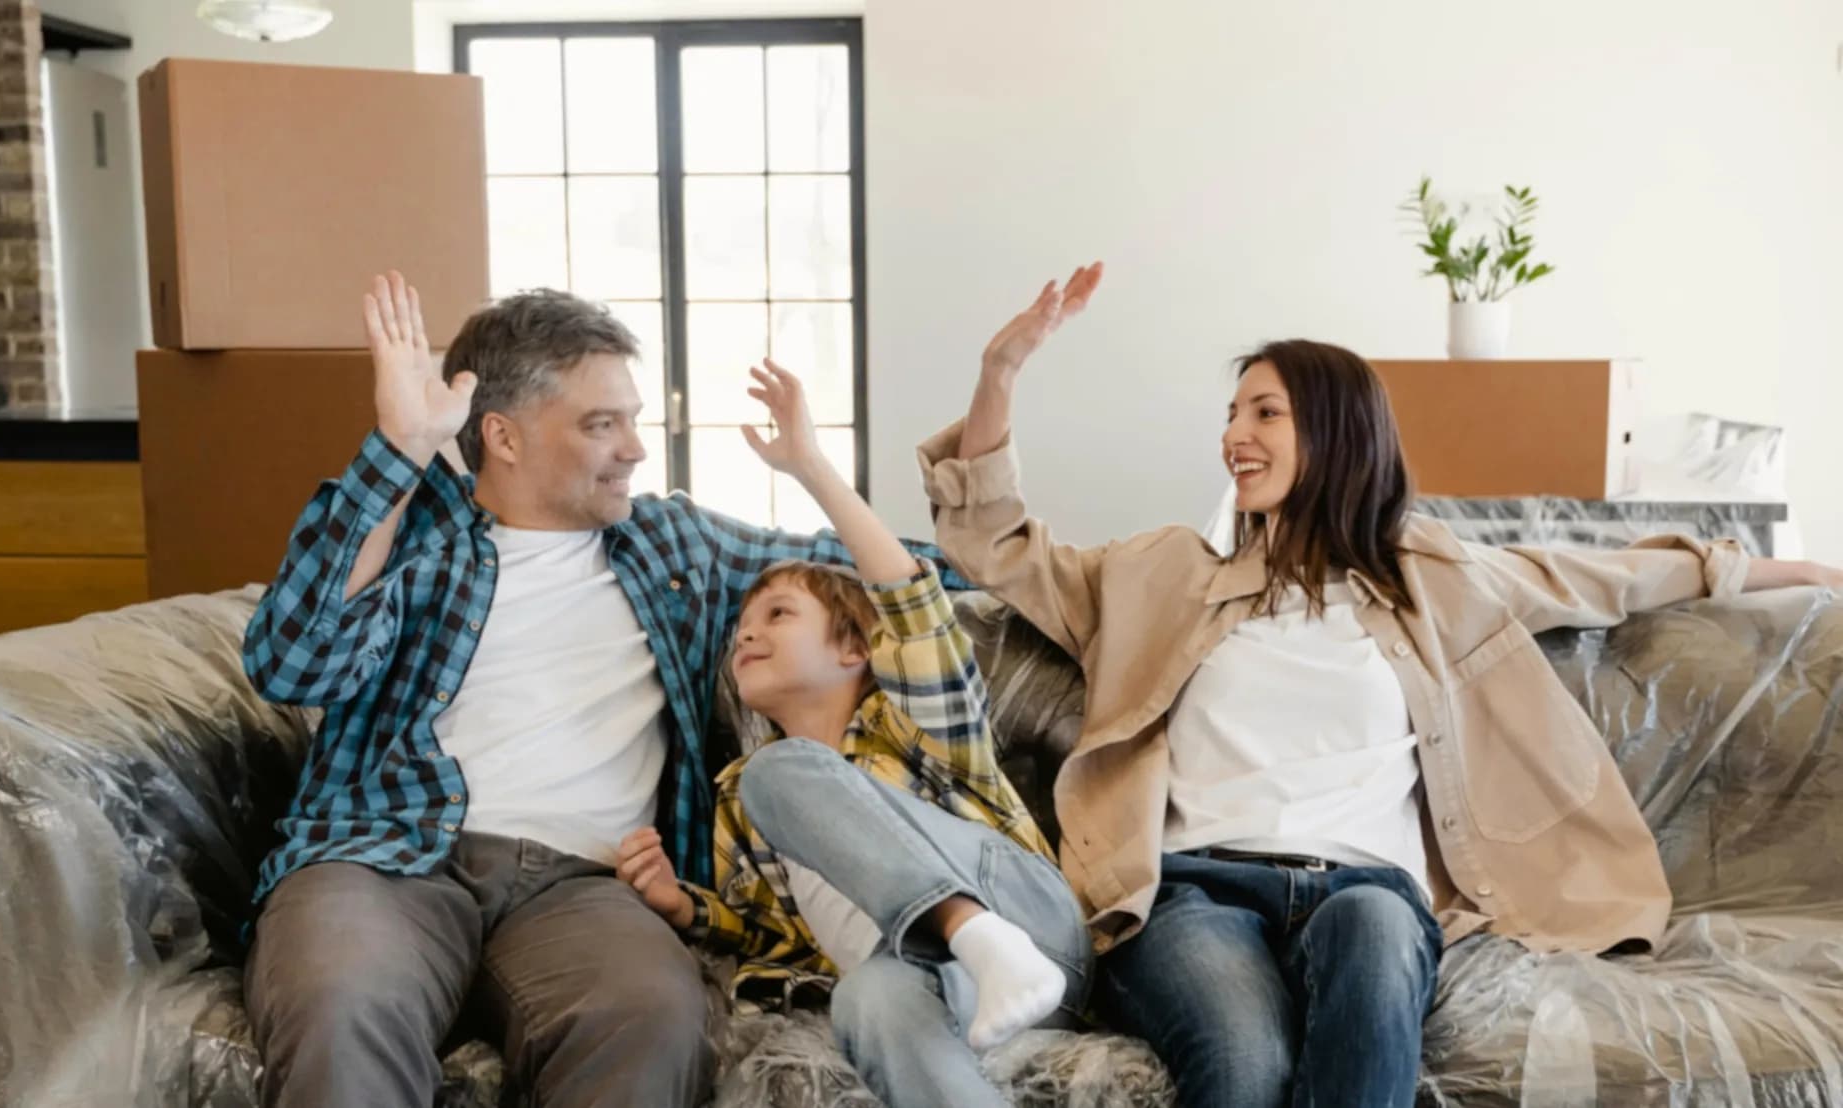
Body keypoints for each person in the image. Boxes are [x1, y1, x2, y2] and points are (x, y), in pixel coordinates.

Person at [919, 261, 1843, 1107]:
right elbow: (990, 543)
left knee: (1373, 936)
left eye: (1265, 413)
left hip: (1366, 887)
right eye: (1232, 415)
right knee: (1245, 1061)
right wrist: (1001, 373)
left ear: (1336, 430)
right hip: (1197, 891)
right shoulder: (1159, 574)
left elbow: (1599, 575)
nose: (1234, 436)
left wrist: (1789, 574)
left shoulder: (1426, 578)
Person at [239, 273, 962, 1108]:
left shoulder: (672, 545)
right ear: (503, 438)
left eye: (633, 421)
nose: (635, 449)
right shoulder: (413, 528)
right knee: (340, 1003)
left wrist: (814, 468)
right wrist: (398, 453)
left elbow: (912, 584)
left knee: (650, 1015)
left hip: (584, 884)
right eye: (601, 424)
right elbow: (293, 664)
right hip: (385, 856)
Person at [618, 360, 1092, 1108]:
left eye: (777, 616)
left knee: (785, 771)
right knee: (864, 1001)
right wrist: (685, 908)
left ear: (853, 650)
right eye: (741, 627)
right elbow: (769, 934)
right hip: (923, 972)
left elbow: (910, 604)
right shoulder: (744, 797)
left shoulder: (916, 725)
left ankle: (974, 929)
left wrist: (808, 464)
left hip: (1030, 926)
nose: (747, 634)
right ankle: (963, 944)